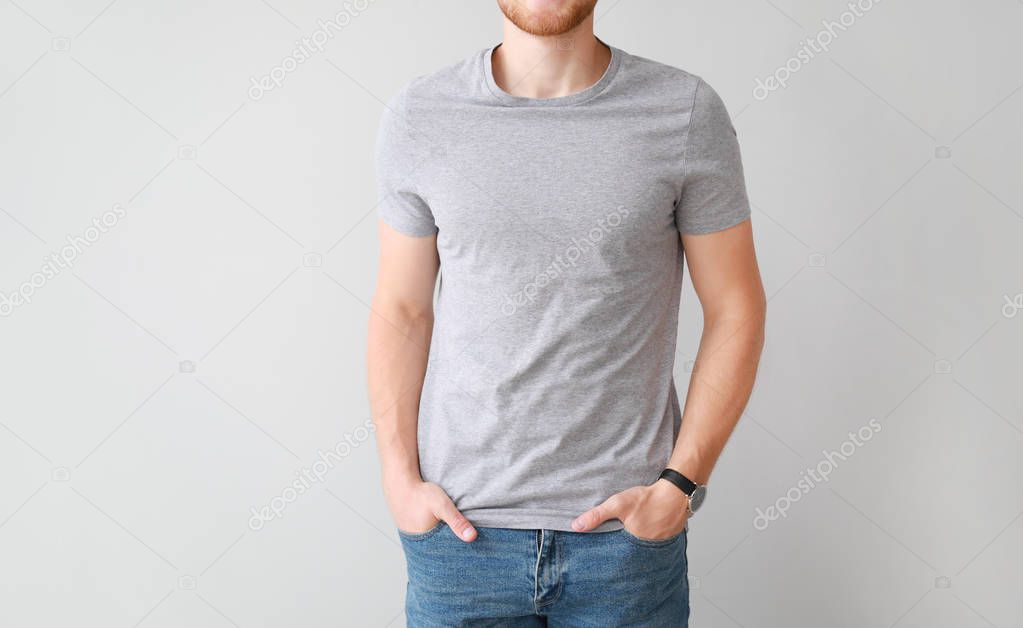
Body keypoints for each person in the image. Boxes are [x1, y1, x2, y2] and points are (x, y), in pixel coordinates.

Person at [368, 1, 766, 624]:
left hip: (625, 548)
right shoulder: (421, 116)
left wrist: (679, 488)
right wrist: (398, 479)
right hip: (460, 539)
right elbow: (402, 309)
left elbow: (736, 306)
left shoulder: (684, 111)